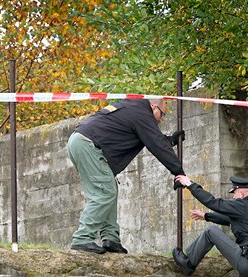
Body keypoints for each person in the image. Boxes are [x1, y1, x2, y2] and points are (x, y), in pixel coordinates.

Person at [67, 99, 186, 254]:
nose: (161, 119)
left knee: (109, 188)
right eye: (162, 114)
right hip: (88, 144)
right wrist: (178, 172)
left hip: (80, 141)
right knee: (104, 192)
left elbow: (151, 138)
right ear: (154, 107)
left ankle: (110, 238)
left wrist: (169, 140)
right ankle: (82, 238)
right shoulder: (143, 114)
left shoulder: (134, 107)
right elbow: (156, 144)